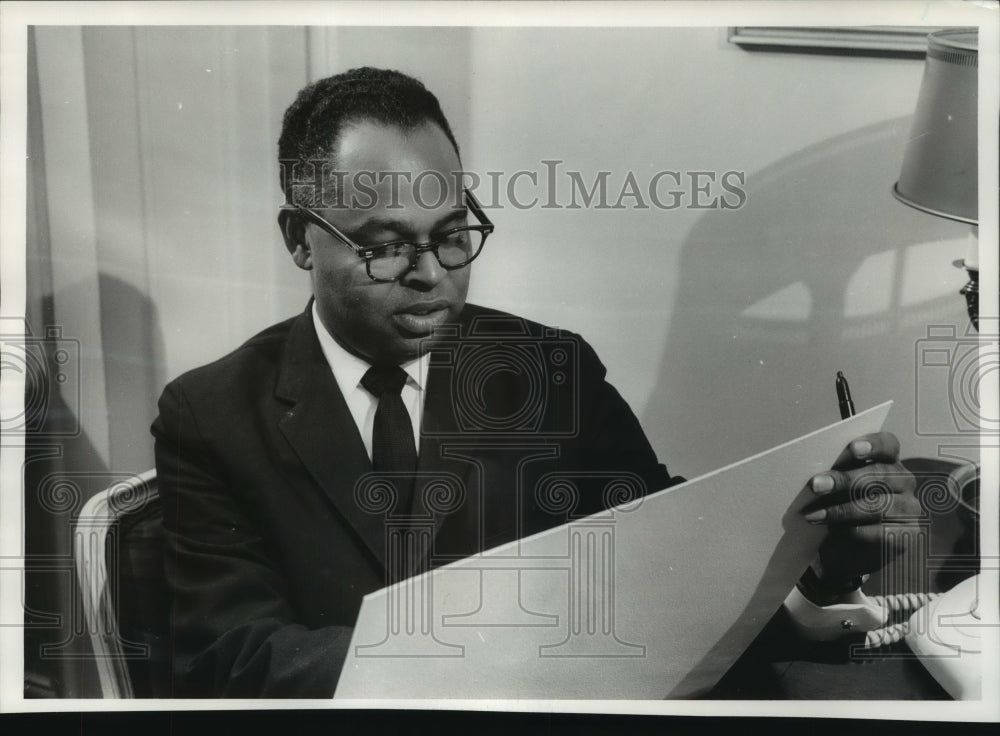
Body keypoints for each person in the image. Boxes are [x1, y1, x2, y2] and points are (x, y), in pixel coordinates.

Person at [151, 67, 921, 698]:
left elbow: (674, 579)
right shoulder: (210, 414)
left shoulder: (553, 370)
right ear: (298, 239)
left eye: (454, 237)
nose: (431, 278)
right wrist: (487, 662)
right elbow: (234, 658)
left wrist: (822, 564)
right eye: (386, 248)